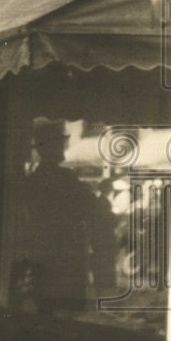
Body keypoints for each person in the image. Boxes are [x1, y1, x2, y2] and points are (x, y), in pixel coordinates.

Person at [20, 120, 110, 312]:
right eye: (59, 143)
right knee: (68, 311)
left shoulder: (31, 181)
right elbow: (93, 208)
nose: (63, 147)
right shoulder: (66, 179)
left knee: (45, 310)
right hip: (68, 259)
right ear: (48, 148)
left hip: (41, 258)